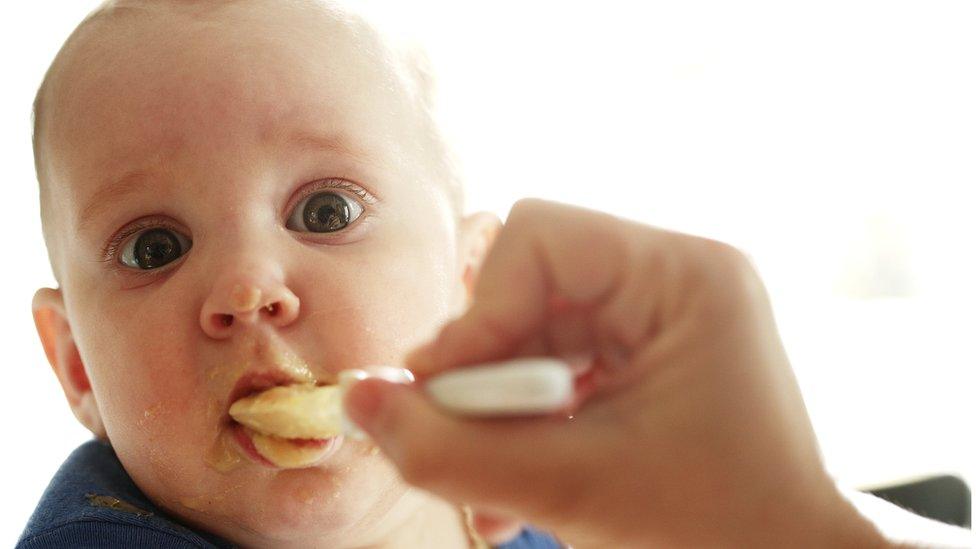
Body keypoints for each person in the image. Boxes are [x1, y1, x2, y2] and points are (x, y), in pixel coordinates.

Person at [20, 0, 973, 548]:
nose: (247, 288)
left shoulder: (545, 496)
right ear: (78, 370)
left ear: (472, 287)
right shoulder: (102, 536)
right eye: (155, 247)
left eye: (328, 212)